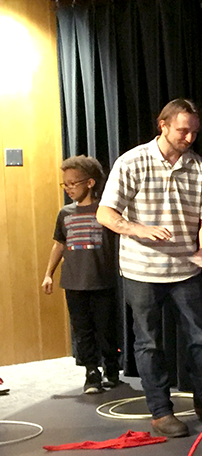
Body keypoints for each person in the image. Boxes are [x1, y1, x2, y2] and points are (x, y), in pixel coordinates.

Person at [98, 98, 202, 438]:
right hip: (142, 271)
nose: (189, 138)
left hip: (186, 270)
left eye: (194, 132)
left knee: (200, 339)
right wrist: (140, 229)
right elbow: (105, 214)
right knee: (149, 342)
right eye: (183, 130)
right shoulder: (132, 162)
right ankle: (161, 412)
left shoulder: (199, 168)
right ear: (163, 125)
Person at [41, 156, 121, 394]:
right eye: (64, 184)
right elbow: (59, 245)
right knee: (82, 329)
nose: (68, 189)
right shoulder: (65, 214)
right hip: (74, 283)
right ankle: (91, 373)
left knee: (105, 328)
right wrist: (48, 274)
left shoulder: (105, 212)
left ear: (89, 183)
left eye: (73, 183)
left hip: (101, 281)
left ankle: (111, 368)